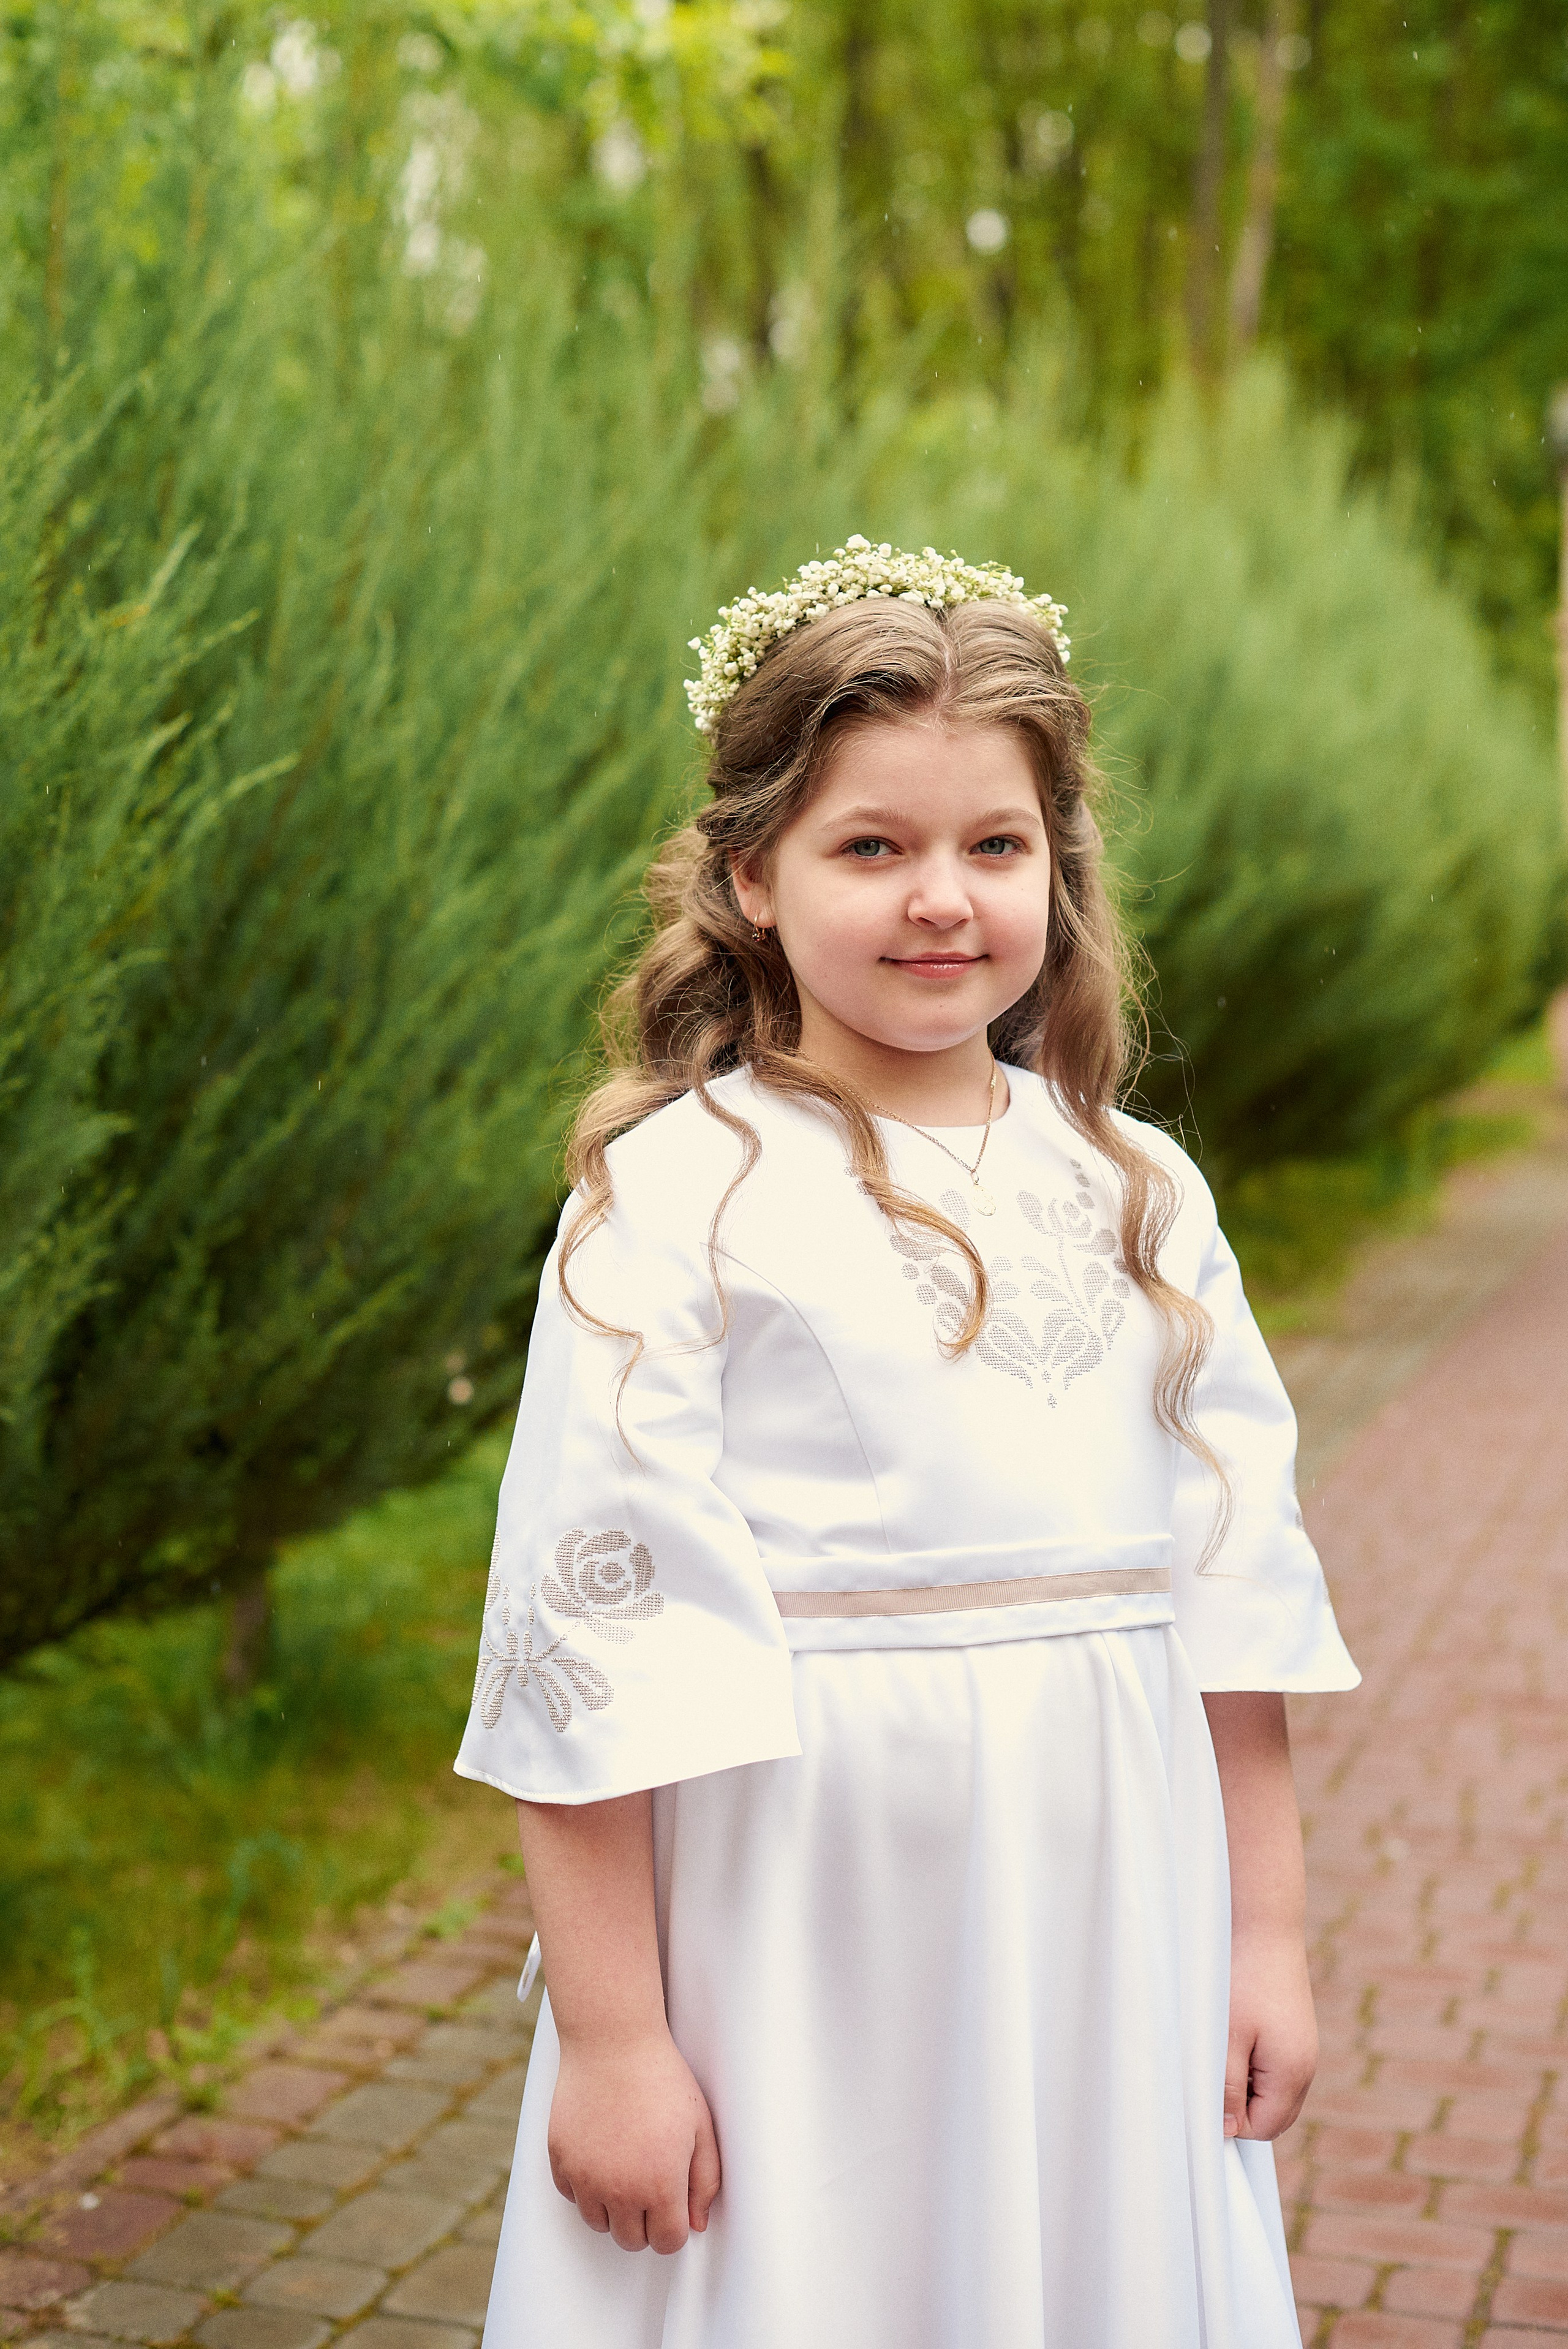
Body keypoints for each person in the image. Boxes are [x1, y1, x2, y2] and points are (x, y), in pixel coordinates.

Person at [454, 537, 1359, 2349]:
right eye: (873, 846)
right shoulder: (677, 1194)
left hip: (1111, 1901)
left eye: (994, 847)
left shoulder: (1140, 1188)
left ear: (1058, 870)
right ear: (750, 874)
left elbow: (1233, 1600)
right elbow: (589, 1638)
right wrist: (623, 2041)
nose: (941, 897)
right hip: (804, 1913)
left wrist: (1266, 1934)